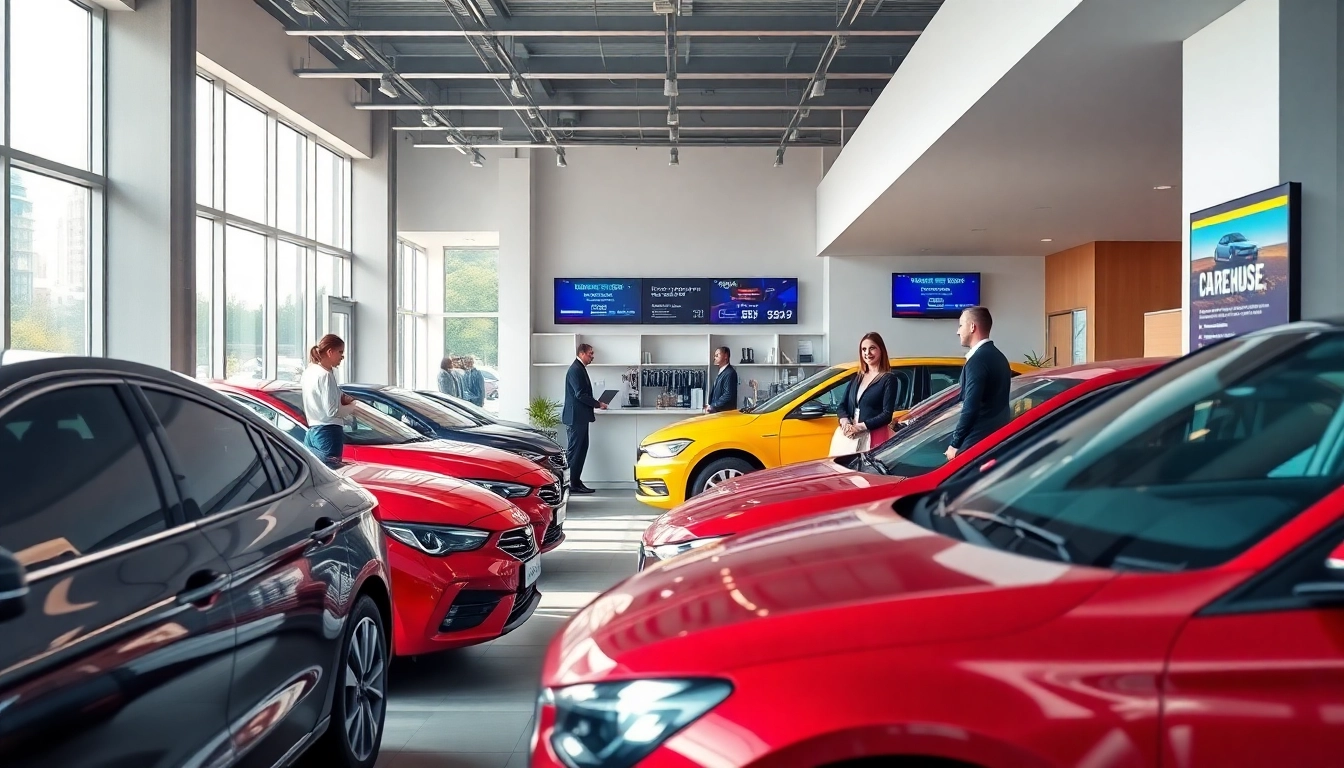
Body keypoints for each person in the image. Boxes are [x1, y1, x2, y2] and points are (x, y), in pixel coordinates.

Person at [946, 306, 1012, 460]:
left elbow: (970, 407)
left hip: (975, 443)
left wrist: (955, 443)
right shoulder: (999, 357)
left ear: (972, 327)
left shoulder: (977, 361)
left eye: (961, 325)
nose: (958, 331)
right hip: (994, 439)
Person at [830, 332, 900, 456]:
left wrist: (860, 427)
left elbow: (886, 415)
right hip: (849, 437)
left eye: (872, 348)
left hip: (872, 437)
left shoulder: (888, 379)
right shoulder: (858, 377)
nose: (867, 353)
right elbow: (842, 405)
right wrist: (845, 422)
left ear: (881, 350)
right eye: (864, 349)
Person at [301, 334, 356, 467]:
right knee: (331, 476)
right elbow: (332, 411)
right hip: (329, 432)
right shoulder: (325, 375)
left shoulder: (309, 372)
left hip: (313, 430)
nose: (342, 357)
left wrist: (340, 396)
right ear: (330, 352)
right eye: (340, 352)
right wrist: (352, 406)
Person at [563, 343, 607, 494]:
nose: (592, 356)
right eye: (590, 353)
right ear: (581, 353)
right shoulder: (575, 369)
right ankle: (570, 484)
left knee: (581, 450)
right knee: (575, 452)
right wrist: (597, 403)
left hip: (580, 418)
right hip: (576, 418)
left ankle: (575, 481)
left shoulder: (579, 368)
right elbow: (580, 394)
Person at [706, 346, 739, 413]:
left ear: (725, 356)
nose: (715, 358)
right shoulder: (722, 371)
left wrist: (713, 406)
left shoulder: (730, 373)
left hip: (724, 414)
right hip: (718, 412)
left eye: (717, 355)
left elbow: (728, 394)